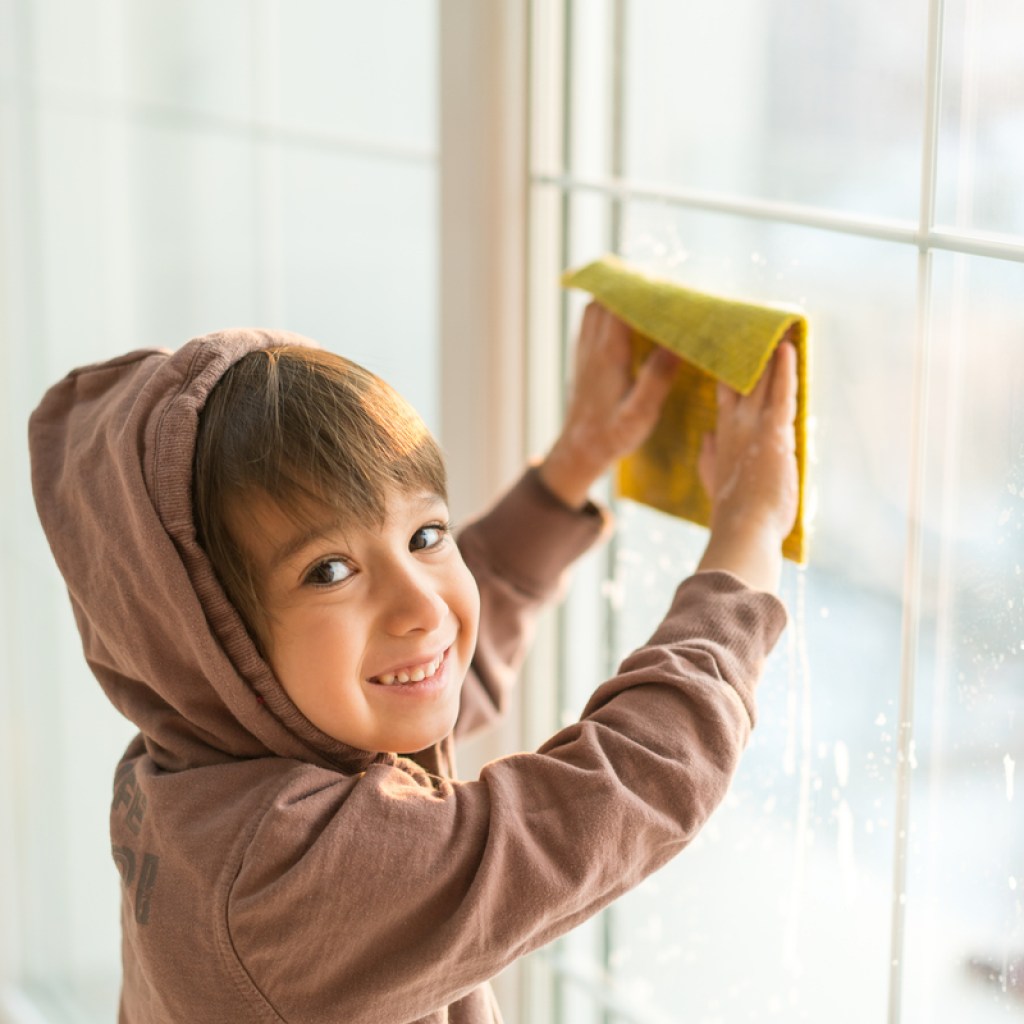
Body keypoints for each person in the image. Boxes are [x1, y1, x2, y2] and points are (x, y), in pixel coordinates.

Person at [29, 304, 798, 1024]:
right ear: (203, 638)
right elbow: (621, 791)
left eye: (427, 535)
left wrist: (575, 461)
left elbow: (426, 672)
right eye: (329, 572)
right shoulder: (285, 879)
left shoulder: (192, 758)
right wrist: (749, 533)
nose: (423, 608)